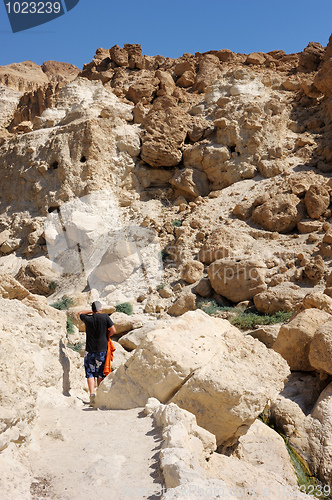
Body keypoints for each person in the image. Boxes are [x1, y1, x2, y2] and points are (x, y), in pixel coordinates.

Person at [78, 301, 116, 406]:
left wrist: (92, 311)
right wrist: (107, 334)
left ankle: (92, 394)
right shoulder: (105, 317)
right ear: (100, 308)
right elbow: (113, 330)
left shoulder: (88, 319)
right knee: (100, 373)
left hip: (89, 350)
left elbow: (80, 313)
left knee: (89, 373)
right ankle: (99, 395)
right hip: (101, 349)